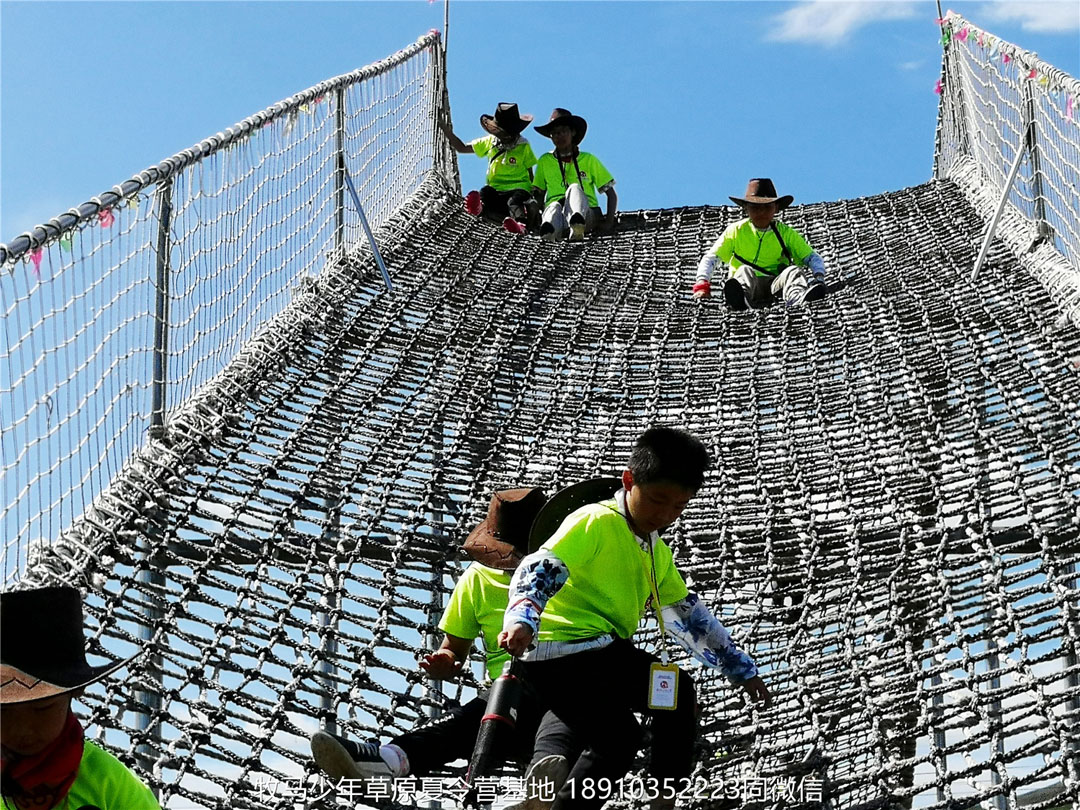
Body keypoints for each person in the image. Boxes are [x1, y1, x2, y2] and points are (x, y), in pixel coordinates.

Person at [498, 428, 771, 810]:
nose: (665, 515)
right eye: (658, 500)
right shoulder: (596, 520)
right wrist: (524, 616)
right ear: (629, 481)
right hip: (565, 653)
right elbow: (542, 566)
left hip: (587, 660)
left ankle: (560, 805)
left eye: (678, 506)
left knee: (620, 739)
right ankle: (661, 798)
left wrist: (739, 667)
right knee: (673, 696)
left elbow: (687, 615)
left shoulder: (654, 550)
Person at [311, 488, 580, 807]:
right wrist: (446, 661)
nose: (514, 564)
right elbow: (454, 648)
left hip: (569, 691)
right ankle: (388, 762)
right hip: (505, 700)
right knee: (465, 722)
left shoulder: (568, 568)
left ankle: (540, 791)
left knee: (569, 709)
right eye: (507, 556)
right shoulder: (477, 579)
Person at [0, 585, 161, 810]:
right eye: (3, 712)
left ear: (76, 692)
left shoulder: (109, 783)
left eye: (42, 708)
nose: (23, 728)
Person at [693, 178, 828, 309]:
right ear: (746, 208)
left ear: (776, 208)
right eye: (756, 207)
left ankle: (796, 297)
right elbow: (712, 258)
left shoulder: (786, 233)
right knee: (744, 270)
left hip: (776, 286)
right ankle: (741, 299)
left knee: (793, 271)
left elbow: (811, 257)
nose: (761, 212)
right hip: (749, 285)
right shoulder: (736, 231)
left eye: (767, 207)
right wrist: (702, 284)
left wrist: (819, 277)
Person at [444, 103, 539, 234]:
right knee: (486, 191)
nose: (505, 137)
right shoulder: (490, 142)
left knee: (514, 201)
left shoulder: (523, 145)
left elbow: (530, 171)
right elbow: (462, 148)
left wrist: (532, 192)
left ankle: (520, 225)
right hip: (497, 190)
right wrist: (445, 129)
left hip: (518, 189)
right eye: (501, 133)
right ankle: (479, 209)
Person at [531, 109, 617, 242]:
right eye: (554, 133)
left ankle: (577, 224)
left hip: (587, 214)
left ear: (573, 132)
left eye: (563, 131)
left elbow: (611, 193)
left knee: (575, 188)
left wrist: (609, 222)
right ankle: (549, 231)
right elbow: (539, 195)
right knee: (553, 206)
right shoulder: (544, 161)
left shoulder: (588, 159)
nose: (559, 136)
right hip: (559, 217)